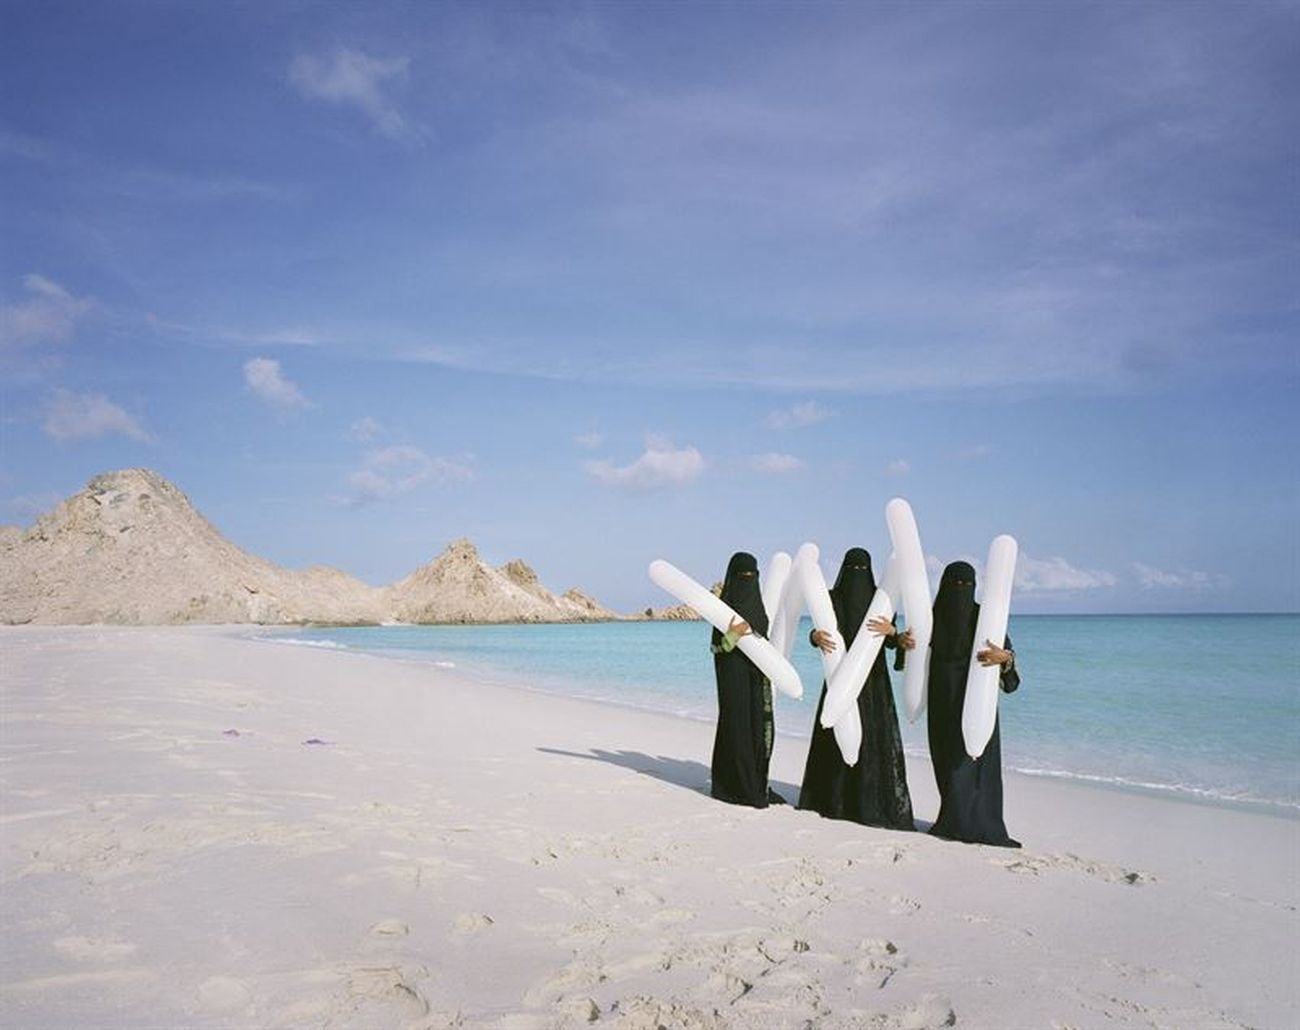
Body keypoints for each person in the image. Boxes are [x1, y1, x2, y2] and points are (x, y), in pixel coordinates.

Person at [902, 560, 1021, 847]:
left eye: (967, 586)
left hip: (977, 705)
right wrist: (903, 644)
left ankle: (983, 825)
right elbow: (913, 661)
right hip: (942, 703)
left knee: (975, 763)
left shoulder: (985, 620)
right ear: (944, 587)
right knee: (947, 762)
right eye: (956, 585)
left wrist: (1006, 659)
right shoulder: (930, 619)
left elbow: (1009, 666)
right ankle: (952, 822)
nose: (962, 592)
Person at [798, 548, 916, 830]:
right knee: (837, 736)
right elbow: (818, 630)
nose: (857, 577)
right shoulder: (830, 598)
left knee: (873, 740)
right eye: (853, 569)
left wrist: (893, 634)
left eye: (862, 570)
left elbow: (892, 642)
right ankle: (834, 801)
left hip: (873, 681)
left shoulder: (882, 600)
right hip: (838, 677)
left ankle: (869, 803)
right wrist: (814, 637)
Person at [709, 552, 781, 808]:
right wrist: (733, 634)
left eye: (752, 575)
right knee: (737, 726)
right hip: (733, 678)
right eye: (743, 576)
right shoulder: (723, 607)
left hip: (757, 678)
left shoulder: (758, 608)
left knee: (759, 728)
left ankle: (759, 783)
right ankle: (738, 787)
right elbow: (717, 647)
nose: (748, 580)